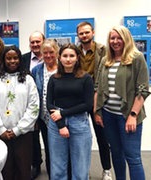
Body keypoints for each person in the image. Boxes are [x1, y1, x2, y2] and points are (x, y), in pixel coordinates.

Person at [94, 25, 150, 180]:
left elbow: (143, 89)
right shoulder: (106, 60)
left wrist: (133, 115)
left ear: (126, 39)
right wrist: (97, 111)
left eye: (119, 38)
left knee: (133, 158)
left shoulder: (136, 58)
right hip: (108, 115)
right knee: (117, 155)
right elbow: (98, 86)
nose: (115, 41)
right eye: (112, 38)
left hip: (128, 116)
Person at [0, 46, 39, 180]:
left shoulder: (28, 79)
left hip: (23, 133)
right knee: (5, 170)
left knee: (23, 169)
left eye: (15, 58)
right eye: (8, 58)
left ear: (20, 59)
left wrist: (18, 130)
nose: (12, 61)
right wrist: (1, 128)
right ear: (3, 60)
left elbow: (33, 106)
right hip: (1, 133)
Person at [47, 43, 94, 180]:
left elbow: (88, 104)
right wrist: (61, 124)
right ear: (59, 58)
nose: (68, 59)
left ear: (77, 58)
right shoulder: (54, 78)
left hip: (79, 123)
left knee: (80, 168)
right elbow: (49, 103)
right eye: (65, 56)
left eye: (72, 56)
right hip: (56, 124)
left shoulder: (85, 78)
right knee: (58, 168)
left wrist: (63, 113)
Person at [76, 21, 112, 180]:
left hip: (98, 99)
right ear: (78, 35)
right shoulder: (74, 51)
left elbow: (106, 74)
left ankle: (106, 170)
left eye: (86, 32)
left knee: (102, 137)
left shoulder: (103, 50)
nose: (84, 35)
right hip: (78, 100)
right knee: (79, 138)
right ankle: (82, 171)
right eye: (81, 33)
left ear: (93, 32)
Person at [31, 39, 59, 179]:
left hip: (62, 117)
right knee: (49, 149)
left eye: (51, 52)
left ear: (57, 52)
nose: (48, 56)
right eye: (45, 53)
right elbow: (34, 95)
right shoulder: (36, 70)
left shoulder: (63, 68)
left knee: (63, 150)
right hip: (43, 117)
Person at [22, 30, 45, 179]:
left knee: (51, 140)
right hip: (29, 105)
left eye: (38, 41)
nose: (35, 44)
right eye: (32, 42)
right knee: (33, 137)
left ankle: (54, 167)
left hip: (49, 106)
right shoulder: (23, 59)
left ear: (43, 42)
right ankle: (36, 164)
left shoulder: (51, 57)